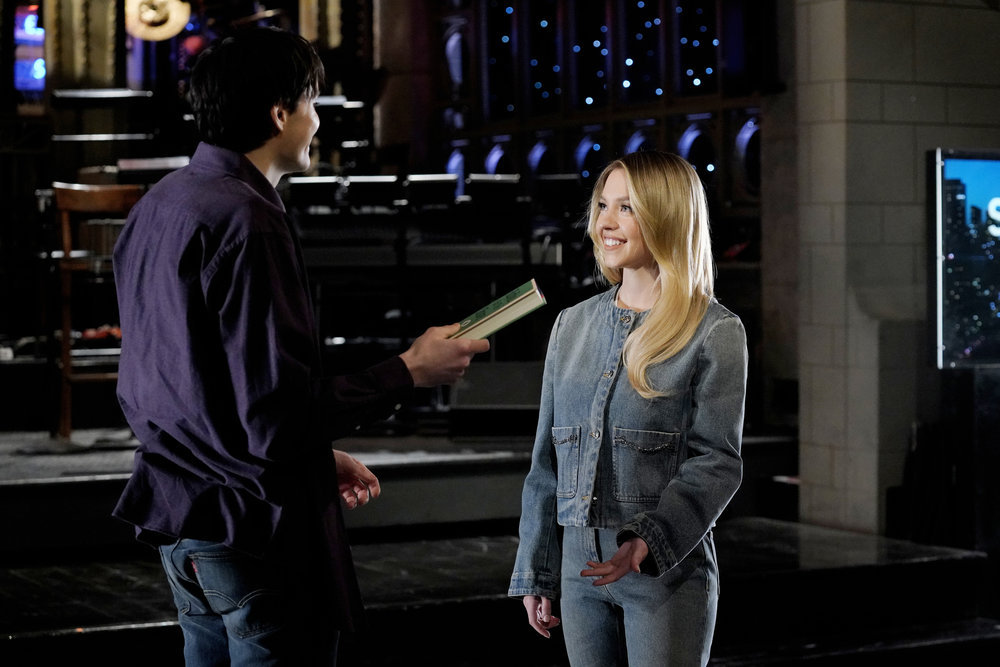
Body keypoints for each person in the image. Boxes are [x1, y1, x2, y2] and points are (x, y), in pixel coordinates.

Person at [112, 27, 489, 666]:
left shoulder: (161, 203)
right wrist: (409, 370)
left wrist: (312, 456)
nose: (317, 120)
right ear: (279, 113)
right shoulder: (247, 218)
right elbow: (274, 415)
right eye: (312, 102)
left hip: (185, 519)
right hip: (251, 528)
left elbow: (184, 386)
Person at [508, 150, 747, 666]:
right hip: (578, 574)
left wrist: (646, 541)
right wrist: (537, 570)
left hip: (663, 572)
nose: (606, 222)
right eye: (602, 205)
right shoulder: (570, 325)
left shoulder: (715, 331)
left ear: (667, 217)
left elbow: (717, 462)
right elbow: (546, 463)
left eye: (627, 208)